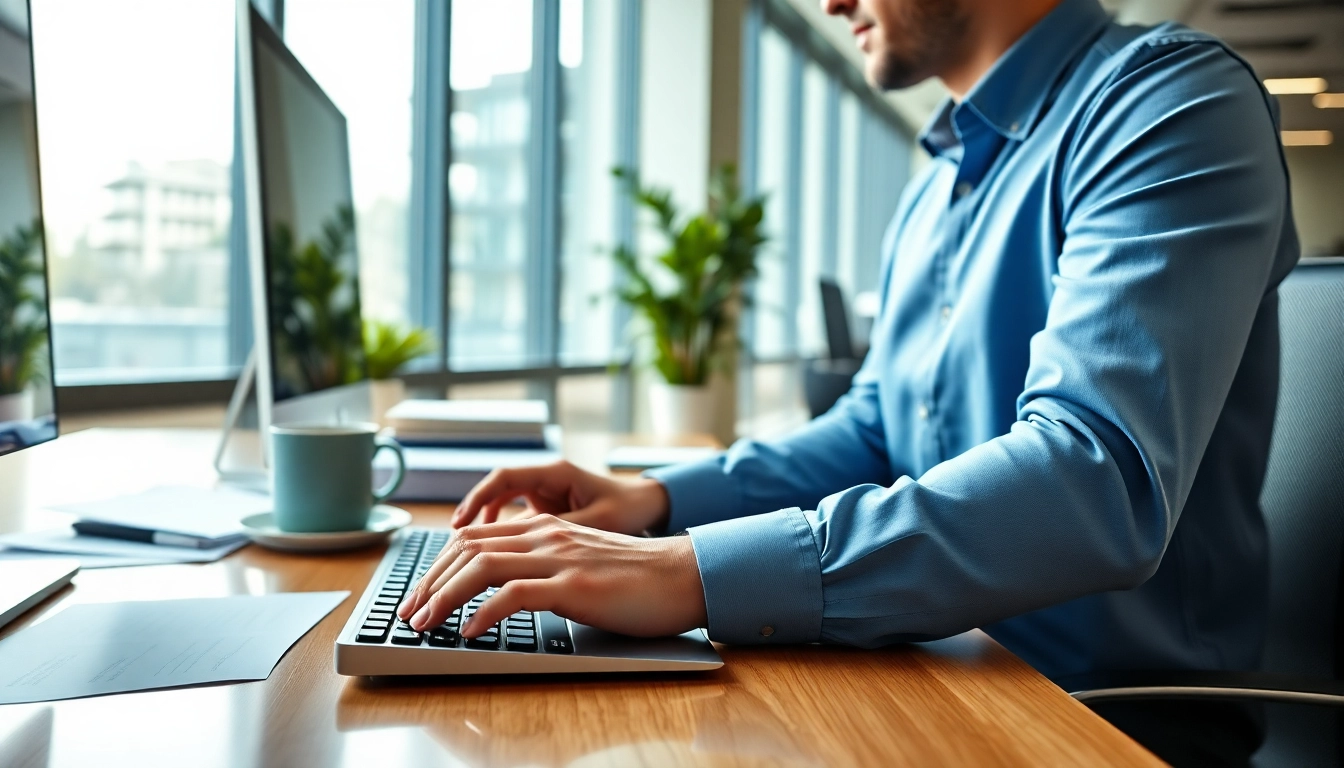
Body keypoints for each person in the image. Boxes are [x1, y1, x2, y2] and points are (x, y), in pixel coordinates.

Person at [400, 0, 1297, 762]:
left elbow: (1093, 479)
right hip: (938, 672)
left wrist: (691, 572)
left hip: (1100, 720)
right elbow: (875, 426)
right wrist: (656, 503)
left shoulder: (1169, 104)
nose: (828, 2)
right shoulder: (934, 188)